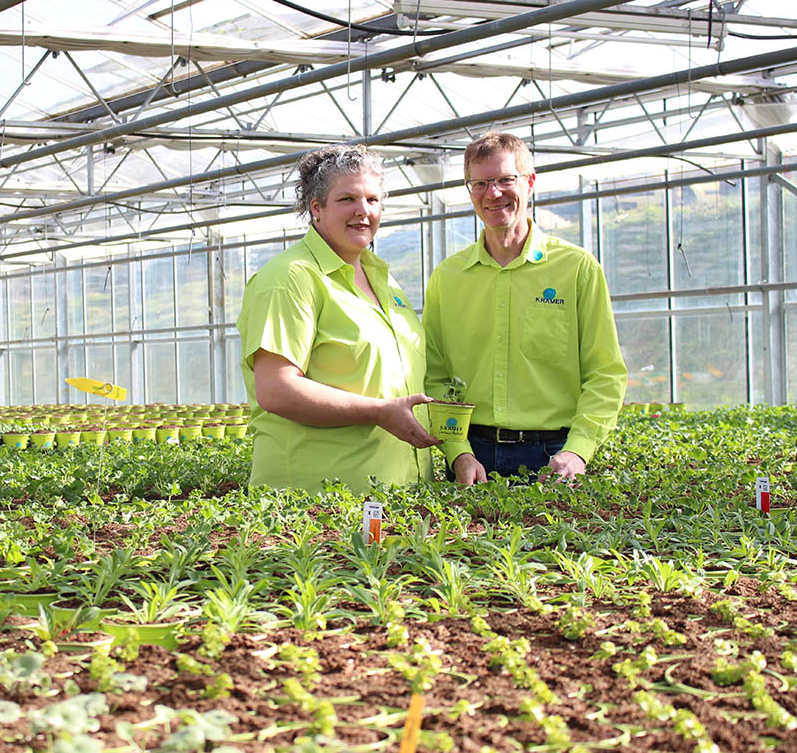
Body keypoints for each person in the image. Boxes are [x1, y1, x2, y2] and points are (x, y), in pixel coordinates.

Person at [423, 132, 626, 485]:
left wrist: (578, 450)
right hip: (472, 457)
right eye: (481, 183)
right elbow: (434, 373)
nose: (493, 193)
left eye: (505, 179)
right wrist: (458, 451)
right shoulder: (448, 277)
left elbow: (605, 373)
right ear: (469, 191)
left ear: (530, 183)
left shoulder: (576, 268)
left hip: (553, 455)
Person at [236, 144, 440, 491]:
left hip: (396, 492)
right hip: (318, 501)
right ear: (316, 208)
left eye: (373, 200)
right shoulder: (290, 278)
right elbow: (276, 389)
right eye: (347, 199)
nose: (363, 211)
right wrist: (378, 411)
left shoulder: (382, 279)